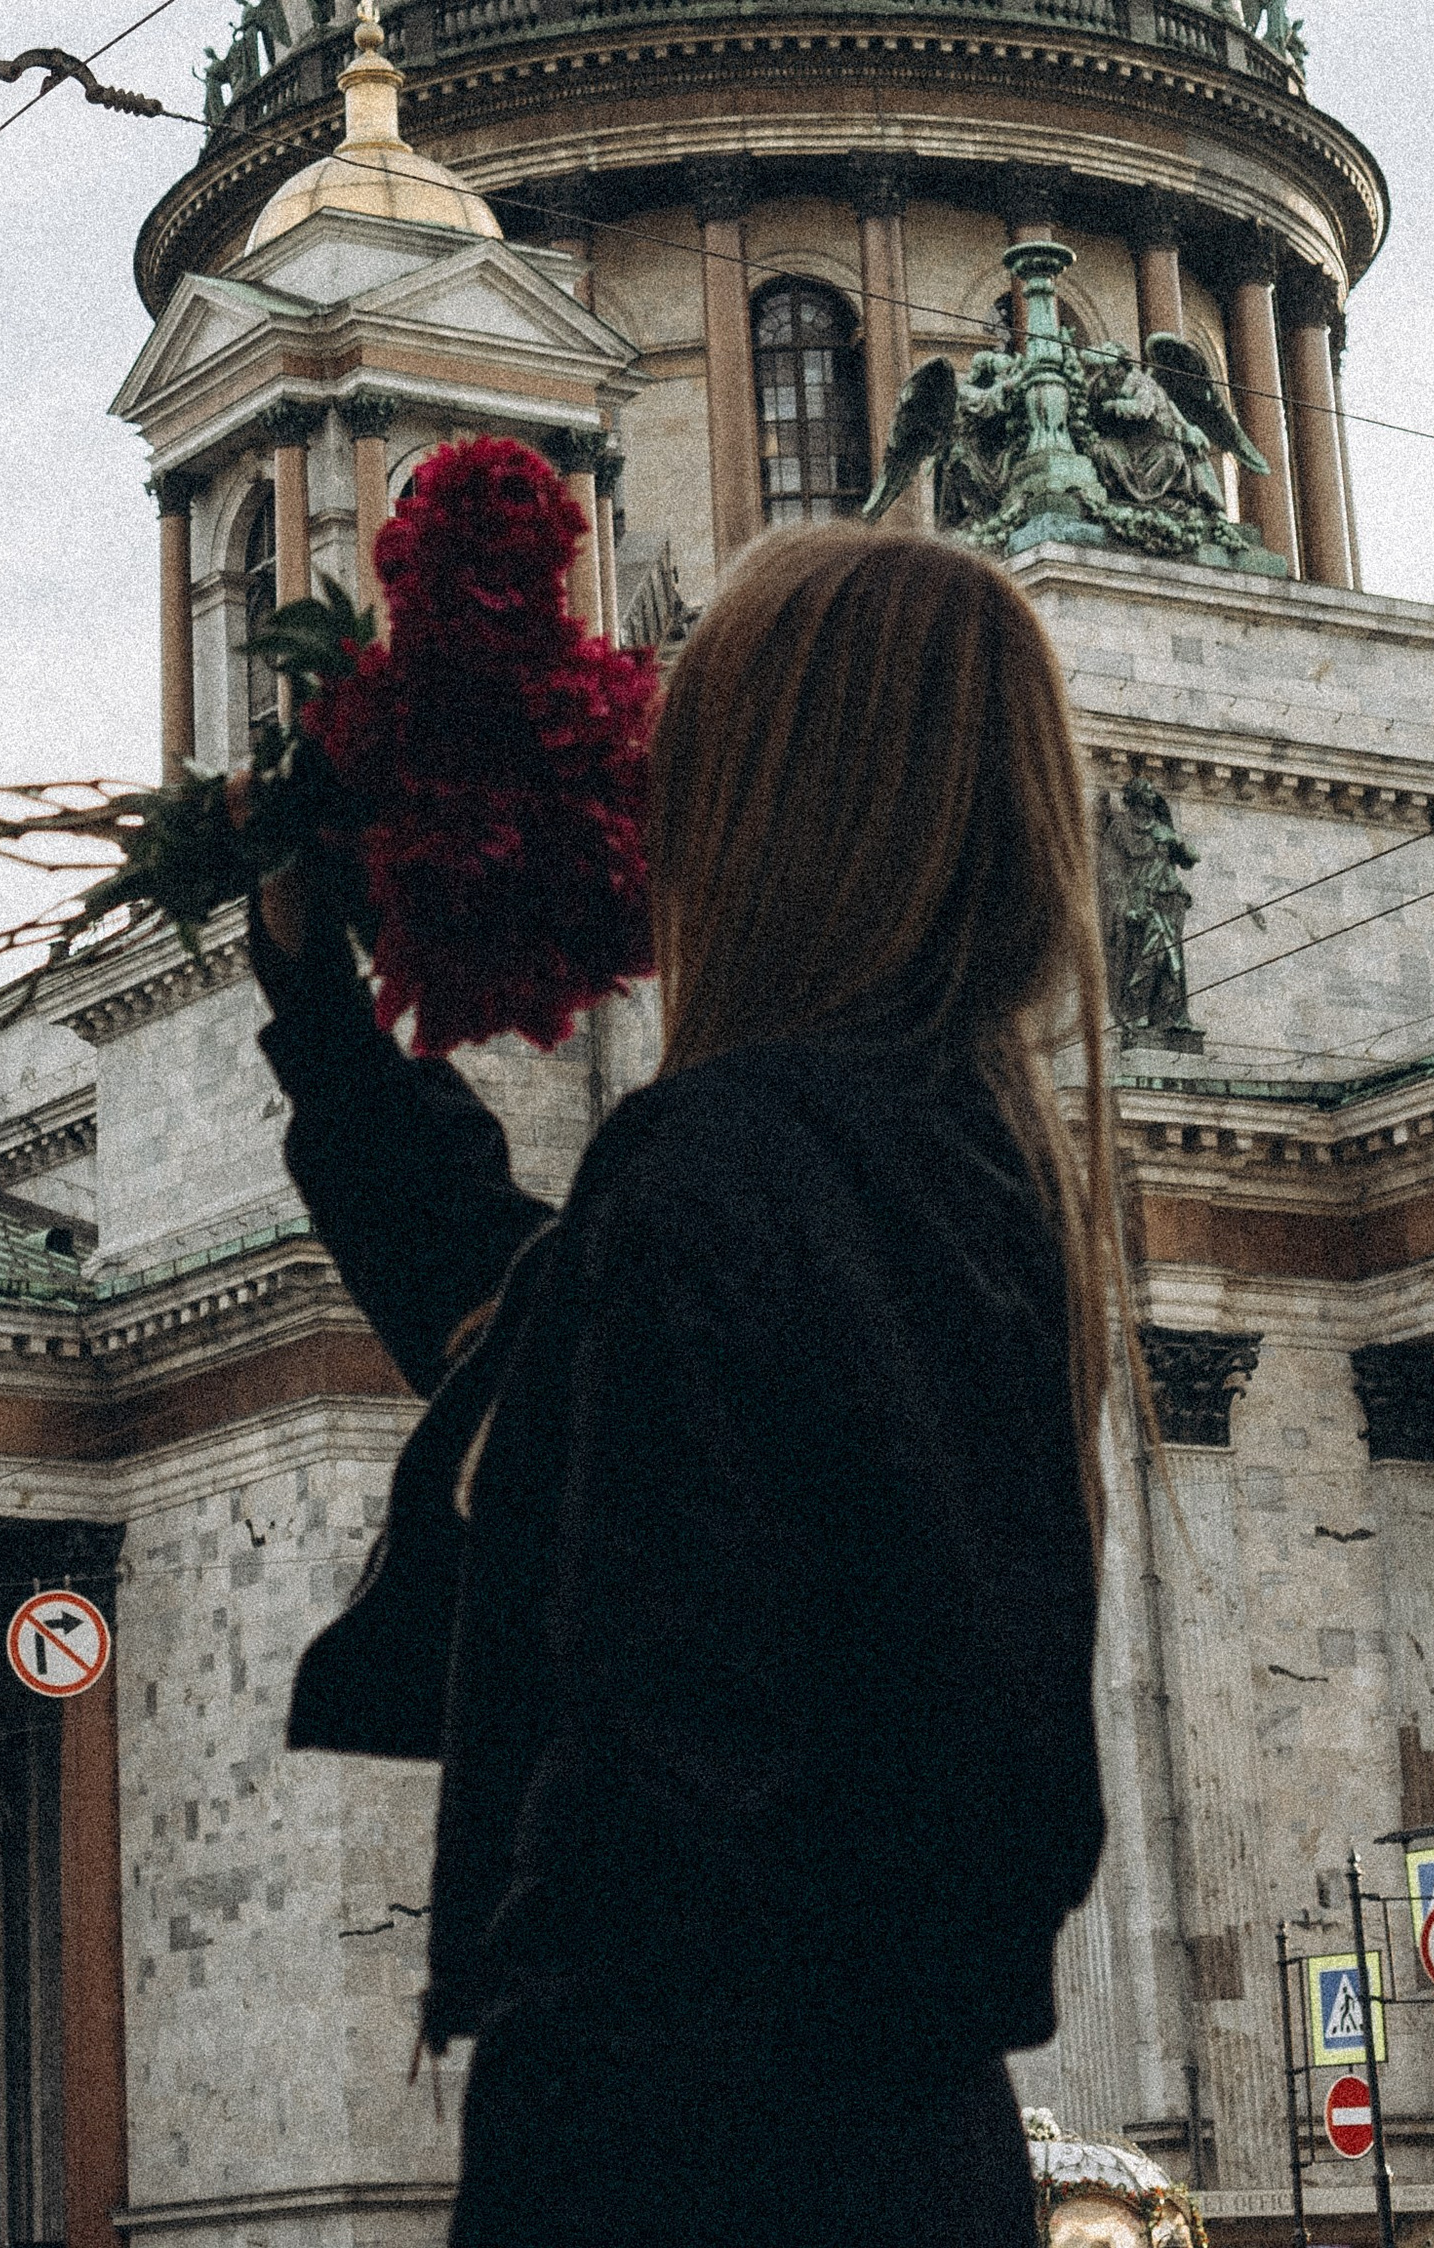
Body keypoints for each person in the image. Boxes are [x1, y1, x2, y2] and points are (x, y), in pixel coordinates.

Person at [250, 522, 1125, 2246]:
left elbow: (658, 1820)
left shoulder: (719, 1165)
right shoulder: (968, 1171)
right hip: (912, 2149)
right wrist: (330, 1037)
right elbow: (533, 1320)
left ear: (769, 812)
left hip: (693, 2146)